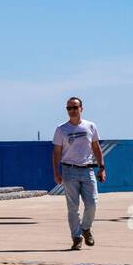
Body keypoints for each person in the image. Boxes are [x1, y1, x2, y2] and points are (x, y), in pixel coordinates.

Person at [51, 97, 105, 250]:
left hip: (88, 170)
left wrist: (102, 167)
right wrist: (56, 172)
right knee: (72, 207)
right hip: (69, 170)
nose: (72, 111)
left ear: (81, 108)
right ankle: (76, 237)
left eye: (74, 107)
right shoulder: (61, 129)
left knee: (92, 204)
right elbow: (56, 152)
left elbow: (96, 148)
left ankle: (86, 228)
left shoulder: (90, 126)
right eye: (69, 108)